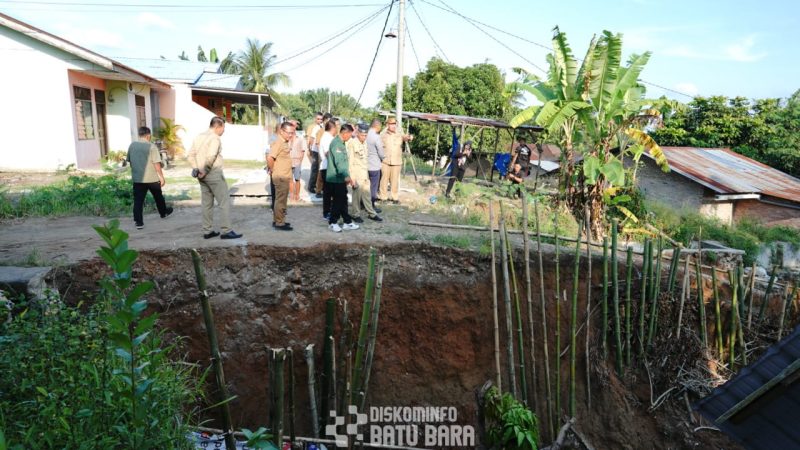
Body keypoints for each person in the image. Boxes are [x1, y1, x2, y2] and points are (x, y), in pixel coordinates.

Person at [188, 116, 242, 239]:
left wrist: (197, 169)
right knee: (224, 202)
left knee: (207, 203)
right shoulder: (215, 138)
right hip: (213, 174)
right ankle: (226, 230)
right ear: (217, 127)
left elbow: (190, 155)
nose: (224, 131)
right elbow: (211, 156)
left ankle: (207, 231)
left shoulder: (199, 136)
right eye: (223, 128)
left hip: (202, 177)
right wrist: (205, 170)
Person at [126, 126, 172, 229]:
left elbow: (129, 161)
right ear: (148, 135)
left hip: (138, 178)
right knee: (158, 197)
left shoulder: (132, 145)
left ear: (140, 135)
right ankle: (163, 213)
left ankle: (139, 222)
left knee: (138, 201)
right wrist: (161, 177)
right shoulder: (152, 147)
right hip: (152, 178)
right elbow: (156, 164)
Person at [326, 124, 359, 232]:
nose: (350, 137)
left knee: (343, 200)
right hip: (336, 178)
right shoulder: (337, 144)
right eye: (350, 135)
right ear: (345, 133)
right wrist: (346, 176)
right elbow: (339, 163)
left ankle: (347, 222)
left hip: (339, 177)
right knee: (338, 201)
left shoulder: (341, 143)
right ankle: (332, 222)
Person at [347, 123, 382, 222]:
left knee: (367, 194)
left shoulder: (365, 143)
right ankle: (355, 214)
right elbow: (350, 162)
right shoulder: (352, 143)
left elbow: (365, 160)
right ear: (358, 133)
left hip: (364, 174)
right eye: (362, 135)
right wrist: (352, 178)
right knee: (356, 196)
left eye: (366, 135)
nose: (364, 137)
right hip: (356, 174)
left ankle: (371, 213)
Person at [267, 121, 296, 231]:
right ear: (282, 131)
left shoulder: (284, 141)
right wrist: (272, 169)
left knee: (281, 200)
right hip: (281, 176)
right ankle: (279, 223)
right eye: (288, 133)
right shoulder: (278, 142)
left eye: (292, 133)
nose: (290, 135)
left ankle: (279, 220)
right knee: (280, 200)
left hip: (284, 175)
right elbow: (270, 157)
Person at [379, 117, 412, 204]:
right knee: (384, 180)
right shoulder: (383, 135)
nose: (393, 126)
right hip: (385, 161)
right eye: (391, 124)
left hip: (396, 161)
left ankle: (395, 197)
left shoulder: (399, 133)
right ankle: (383, 197)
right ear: (387, 125)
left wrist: (409, 137)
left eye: (394, 124)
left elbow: (406, 138)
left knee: (394, 181)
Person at [318, 119, 338, 219]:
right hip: (327, 168)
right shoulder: (327, 138)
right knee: (328, 192)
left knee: (330, 192)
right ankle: (327, 212)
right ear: (333, 128)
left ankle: (330, 211)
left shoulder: (330, 137)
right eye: (336, 127)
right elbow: (327, 153)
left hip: (330, 167)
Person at [365, 118, 385, 213]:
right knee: (373, 187)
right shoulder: (376, 137)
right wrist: (383, 158)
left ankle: (363, 204)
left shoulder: (364, 134)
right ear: (377, 126)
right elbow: (380, 152)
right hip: (374, 165)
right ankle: (371, 206)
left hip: (365, 165)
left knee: (364, 186)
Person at [314, 113, 333, 196]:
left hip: (329, 155)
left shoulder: (331, 131)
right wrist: (322, 154)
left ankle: (325, 190)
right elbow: (317, 143)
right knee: (321, 174)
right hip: (323, 155)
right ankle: (318, 190)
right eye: (328, 121)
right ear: (324, 121)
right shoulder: (321, 131)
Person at [289, 119, 307, 201]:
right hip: (288, 161)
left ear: (296, 126)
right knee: (289, 179)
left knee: (297, 179)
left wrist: (300, 161)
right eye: (291, 125)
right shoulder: (286, 137)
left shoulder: (300, 138)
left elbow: (303, 151)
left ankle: (297, 195)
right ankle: (292, 195)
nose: (293, 126)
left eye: (294, 125)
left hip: (297, 161)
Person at [306, 112, 323, 194]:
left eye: (321, 119)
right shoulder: (314, 127)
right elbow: (311, 139)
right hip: (315, 150)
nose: (319, 120)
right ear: (315, 119)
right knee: (315, 169)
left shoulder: (322, 126)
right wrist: (310, 149)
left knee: (320, 169)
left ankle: (318, 185)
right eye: (318, 119)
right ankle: (311, 186)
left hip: (321, 151)